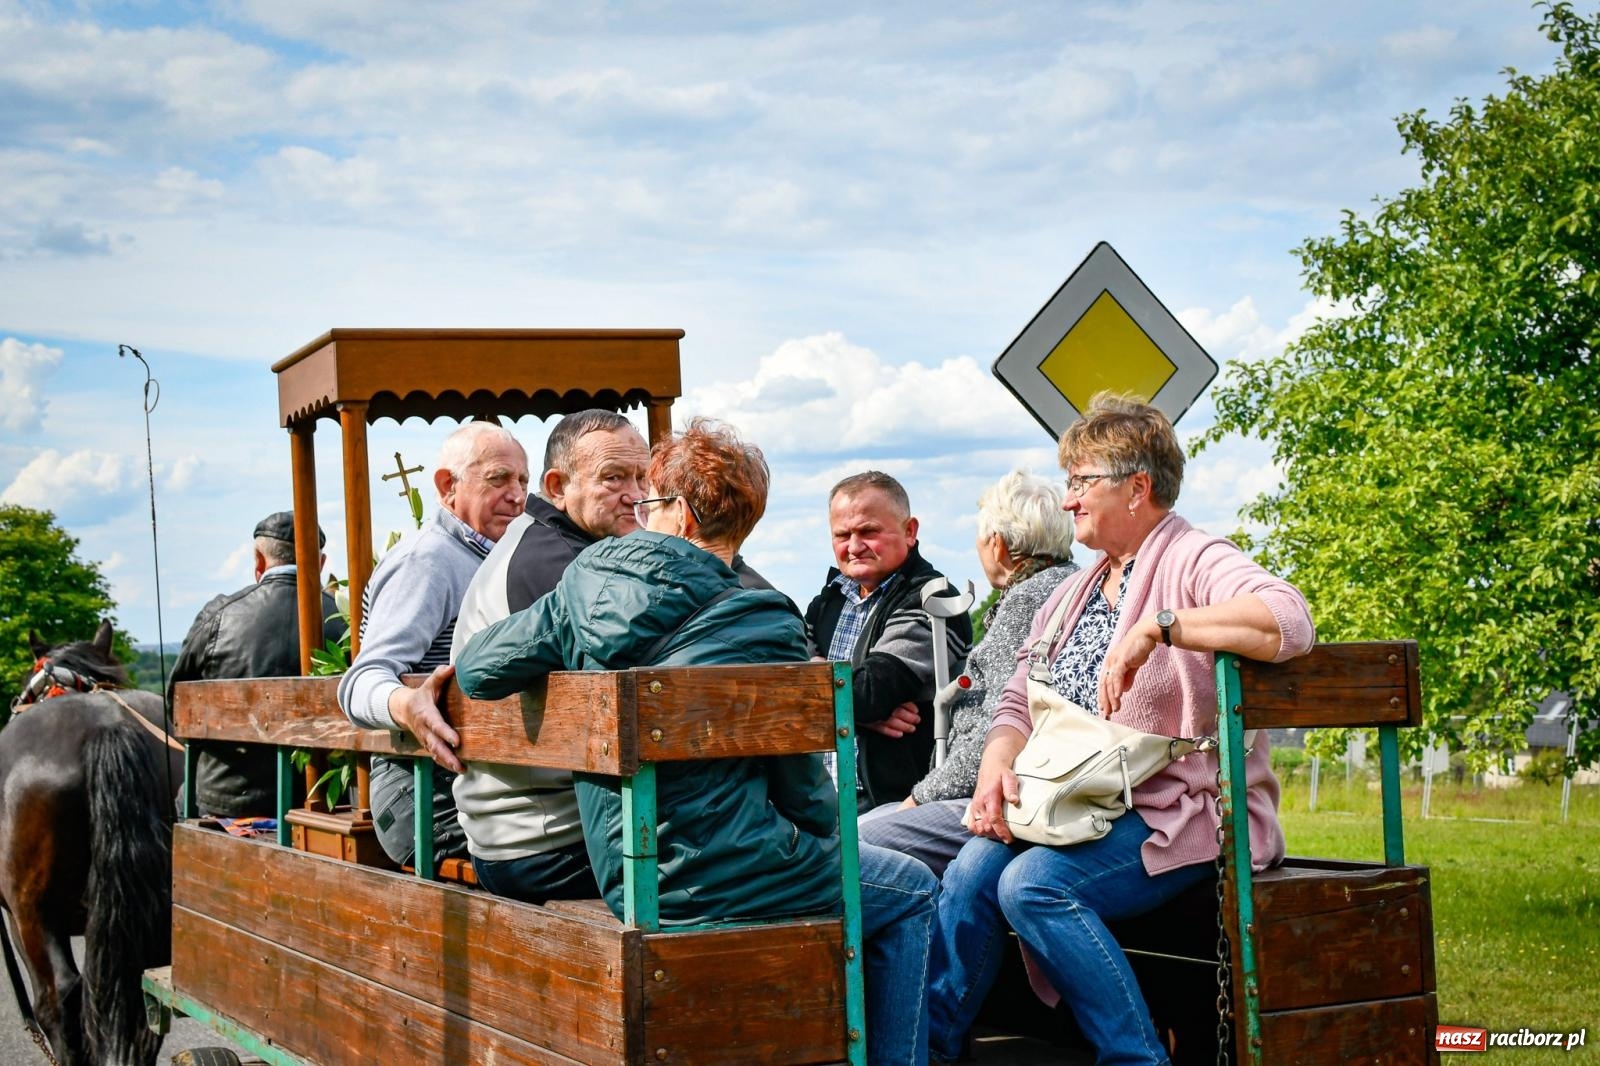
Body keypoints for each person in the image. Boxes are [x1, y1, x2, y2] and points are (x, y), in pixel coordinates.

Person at [457, 419, 940, 1066]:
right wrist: (819, 843)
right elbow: (808, 796)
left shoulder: (584, 583)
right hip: (731, 873)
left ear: (676, 512)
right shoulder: (767, 616)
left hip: (625, 872)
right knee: (912, 890)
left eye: (650, 496)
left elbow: (477, 670)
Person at [927, 393, 1316, 1066]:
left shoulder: (1193, 557)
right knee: (969, 873)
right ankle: (930, 1050)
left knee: (1033, 885)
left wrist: (1163, 626)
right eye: (1068, 483)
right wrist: (996, 767)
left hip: (1178, 809)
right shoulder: (1073, 591)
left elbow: (1289, 619)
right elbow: (1020, 696)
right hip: (1075, 803)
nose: (1069, 500)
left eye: (1082, 483)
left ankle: (1135, 1059)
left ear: (1138, 488)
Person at [448, 409, 650, 903]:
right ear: (558, 485)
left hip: (524, 831)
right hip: (544, 842)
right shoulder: (561, 564)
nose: (637, 495)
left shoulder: (552, 543)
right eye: (614, 477)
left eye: (643, 477)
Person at [858, 470, 1078, 876]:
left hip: (1001, 792)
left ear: (998, 545)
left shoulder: (1027, 601)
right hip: (1037, 787)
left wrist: (920, 799)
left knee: (856, 846)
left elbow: (997, 728)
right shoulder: (1072, 584)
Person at [337, 420, 529, 869]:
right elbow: (362, 680)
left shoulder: (497, 556)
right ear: (448, 486)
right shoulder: (430, 560)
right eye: (498, 479)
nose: (517, 495)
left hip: (476, 777)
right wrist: (407, 705)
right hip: (420, 789)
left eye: (522, 480)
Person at [806, 471, 972, 811]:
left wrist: (818, 684)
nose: (854, 547)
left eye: (868, 531)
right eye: (842, 534)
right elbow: (781, 683)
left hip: (896, 804)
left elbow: (870, 694)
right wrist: (860, 717)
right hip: (819, 801)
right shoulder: (828, 602)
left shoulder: (932, 600)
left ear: (910, 531)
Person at [167, 511, 347, 817]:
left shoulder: (218, 616)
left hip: (225, 802)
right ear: (320, 563)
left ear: (258, 561)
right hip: (320, 803)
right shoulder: (344, 621)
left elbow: (177, 706)